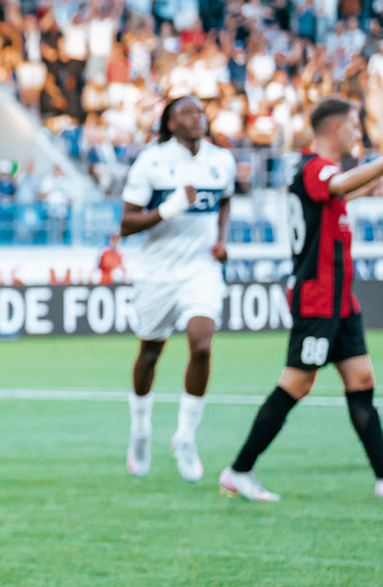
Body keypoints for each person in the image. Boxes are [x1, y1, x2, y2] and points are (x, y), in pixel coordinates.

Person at [221, 98, 383, 501]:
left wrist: (367, 188)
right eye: (353, 125)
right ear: (335, 128)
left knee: (361, 379)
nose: (357, 133)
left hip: (341, 301)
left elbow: (334, 199)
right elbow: (337, 186)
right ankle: (239, 470)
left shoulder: (320, 175)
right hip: (317, 300)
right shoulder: (315, 168)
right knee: (297, 384)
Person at [118, 96, 234, 482]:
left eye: (200, 111)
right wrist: (168, 209)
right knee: (150, 353)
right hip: (157, 273)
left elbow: (225, 202)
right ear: (170, 123)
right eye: (187, 112)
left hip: (201, 269)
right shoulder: (151, 162)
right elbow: (126, 224)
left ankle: (185, 436)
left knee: (201, 345)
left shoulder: (221, 160)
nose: (197, 117)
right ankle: (140, 429)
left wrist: (221, 240)